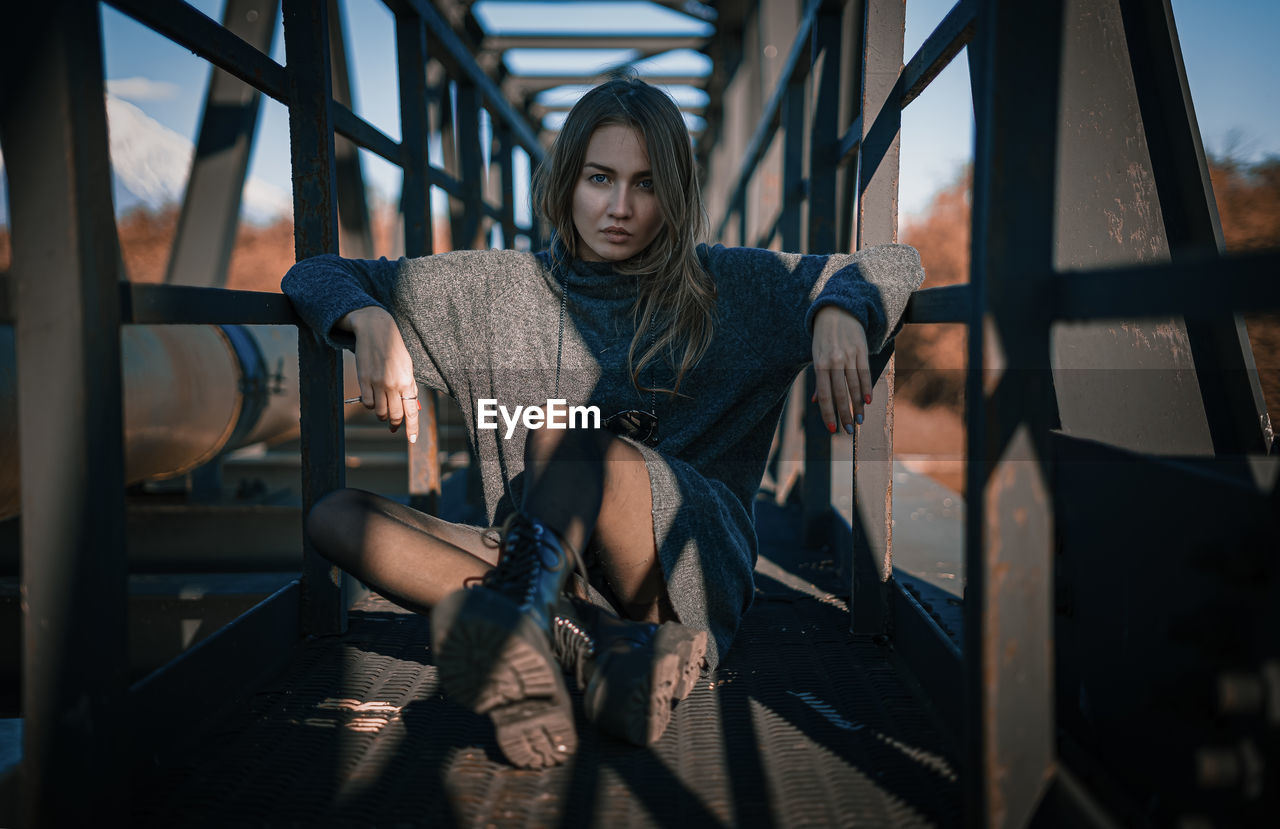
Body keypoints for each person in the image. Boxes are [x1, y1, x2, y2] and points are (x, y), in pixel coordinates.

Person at [281, 75, 924, 769]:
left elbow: (892, 262)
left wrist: (837, 310)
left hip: (684, 569)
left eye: (645, 185)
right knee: (337, 517)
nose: (619, 207)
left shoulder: (728, 286)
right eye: (599, 178)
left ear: (673, 194)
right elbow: (315, 272)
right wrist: (367, 315)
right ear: (567, 180)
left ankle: (528, 622)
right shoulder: (493, 290)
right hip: (553, 562)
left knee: (564, 434)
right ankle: (590, 643)